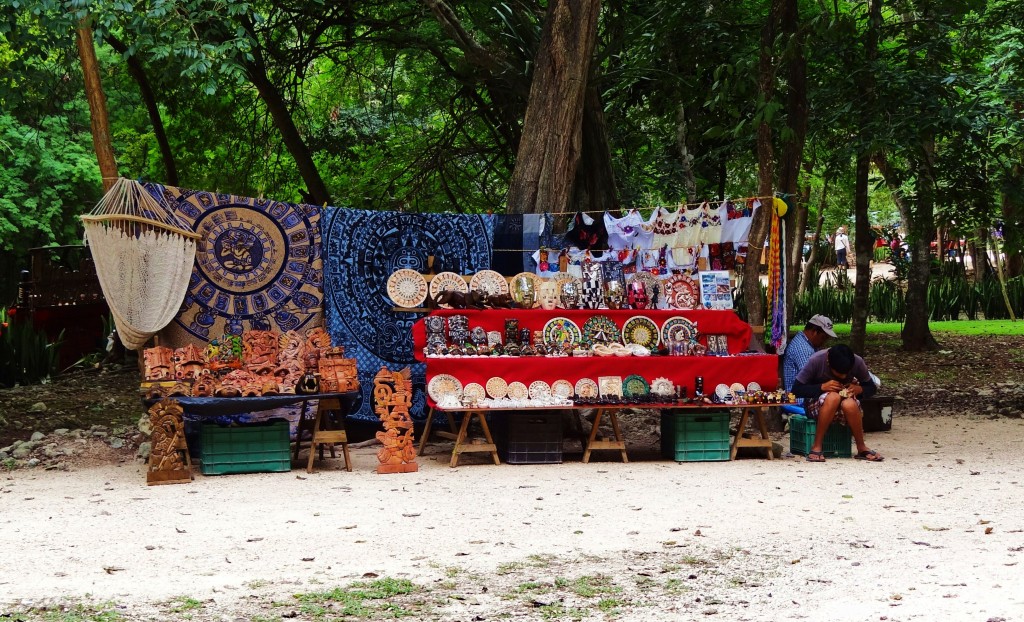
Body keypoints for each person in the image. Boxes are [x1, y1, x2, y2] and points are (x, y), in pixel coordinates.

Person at [791, 344, 883, 463]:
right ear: (828, 361)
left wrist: (859, 389)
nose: (843, 377)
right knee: (833, 397)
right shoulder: (816, 360)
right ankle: (817, 446)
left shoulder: (857, 361)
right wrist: (822, 387)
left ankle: (861, 447)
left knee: (849, 404)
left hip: (846, 406)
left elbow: (871, 387)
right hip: (818, 405)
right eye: (838, 373)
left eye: (846, 373)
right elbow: (796, 390)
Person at [782, 315, 837, 393]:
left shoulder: (809, 343)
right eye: (823, 338)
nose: (824, 342)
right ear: (814, 331)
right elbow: (811, 378)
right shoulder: (803, 348)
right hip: (800, 398)